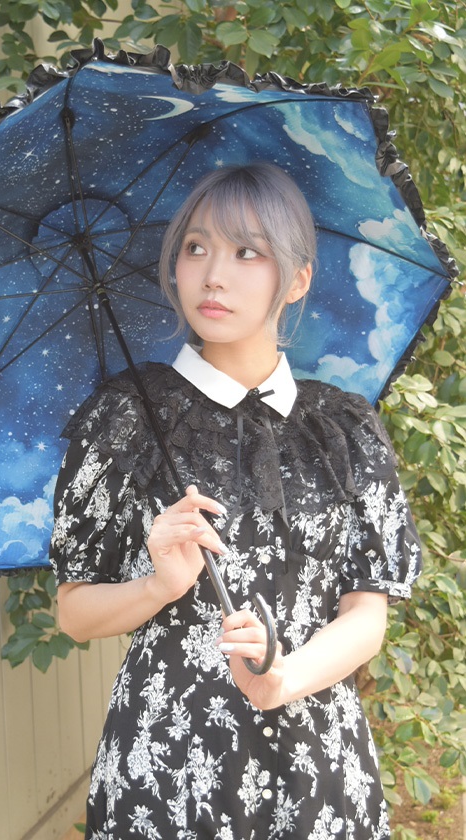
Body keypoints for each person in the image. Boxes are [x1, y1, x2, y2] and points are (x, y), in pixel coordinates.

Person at [49, 163, 421, 839]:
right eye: (195, 248)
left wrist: (284, 677)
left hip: (318, 764)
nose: (213, 275)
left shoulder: (344, 429)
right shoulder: (127, 418)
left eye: (247, 252)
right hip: (166, 768)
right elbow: (74, 612)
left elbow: (367, 614)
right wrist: (160, 584)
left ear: (297, 279)